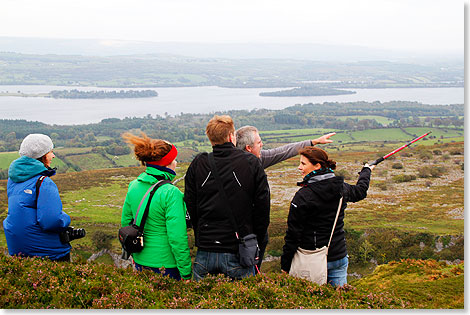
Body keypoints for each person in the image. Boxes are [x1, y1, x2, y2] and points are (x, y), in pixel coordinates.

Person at [235, 125, 336, 271]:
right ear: (249, 148)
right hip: (243, 231)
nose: (262, 145)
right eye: (259, 142)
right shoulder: (234, 164)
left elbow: (283, 151)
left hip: (253, 231)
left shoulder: (259, 160)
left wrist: (312, 142)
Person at [184, 115, 270, 280]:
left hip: (205, 249)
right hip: (239, 249)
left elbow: (190, 204)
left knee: (199, 303)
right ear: (231, 136)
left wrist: (201, 232)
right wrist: (255, 240)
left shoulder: (198, 163)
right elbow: (262, 209)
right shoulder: (251, 163)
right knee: (242, 303)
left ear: (210, 138)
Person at [280, 146, 375, 286]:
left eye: (303, 164)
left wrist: (285, 265)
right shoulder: (340, 187)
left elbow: (293, 235)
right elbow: (360, 191)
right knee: (339, 302)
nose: (299, 168)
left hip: (311, 259)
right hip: (338, 255)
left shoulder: (303, 196)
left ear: (317, 166)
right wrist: (366, 171)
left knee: (310, 303)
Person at [121, 133, 191, 280]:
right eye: (174, 160)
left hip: (140, 260)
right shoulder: (171, 193)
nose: (176, 162)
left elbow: (126, 222)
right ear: (167, 164)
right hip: (166, 265)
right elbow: (177, 237)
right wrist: (186, 273)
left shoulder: (133, 186)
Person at [3, 134, 72, 261]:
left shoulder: (12, 180)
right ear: (42, 155)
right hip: (48, 252)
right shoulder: (44, 182)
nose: (53, 155)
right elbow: (52, 221)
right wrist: (66, 219)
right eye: (50, 151)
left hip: (18, 249)